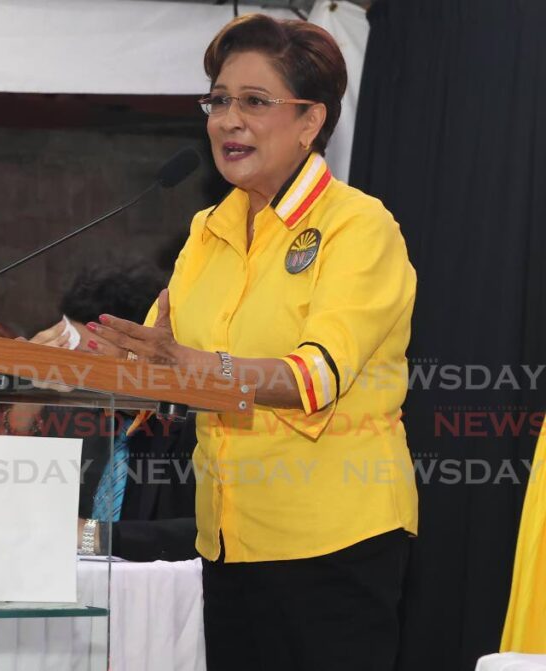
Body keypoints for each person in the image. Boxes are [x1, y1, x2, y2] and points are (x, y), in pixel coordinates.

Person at [83, 15, 418, 671]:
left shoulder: (358, 226)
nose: (227, 120)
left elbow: (317, 377)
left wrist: (194, 365)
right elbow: (159, 357)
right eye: (218, 100)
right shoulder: (207, 231)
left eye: (253, 102)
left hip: (336, 543)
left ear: (309, 120)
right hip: (228, 544)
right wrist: (94, 360)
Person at [31, 264, 199, 561]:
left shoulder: (197, 423)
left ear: (139, 347)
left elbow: (210, 532)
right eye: (64, 343)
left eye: (86, 349)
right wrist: (27, 390)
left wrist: (94, 535)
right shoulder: (77, 416)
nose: (71, 364)